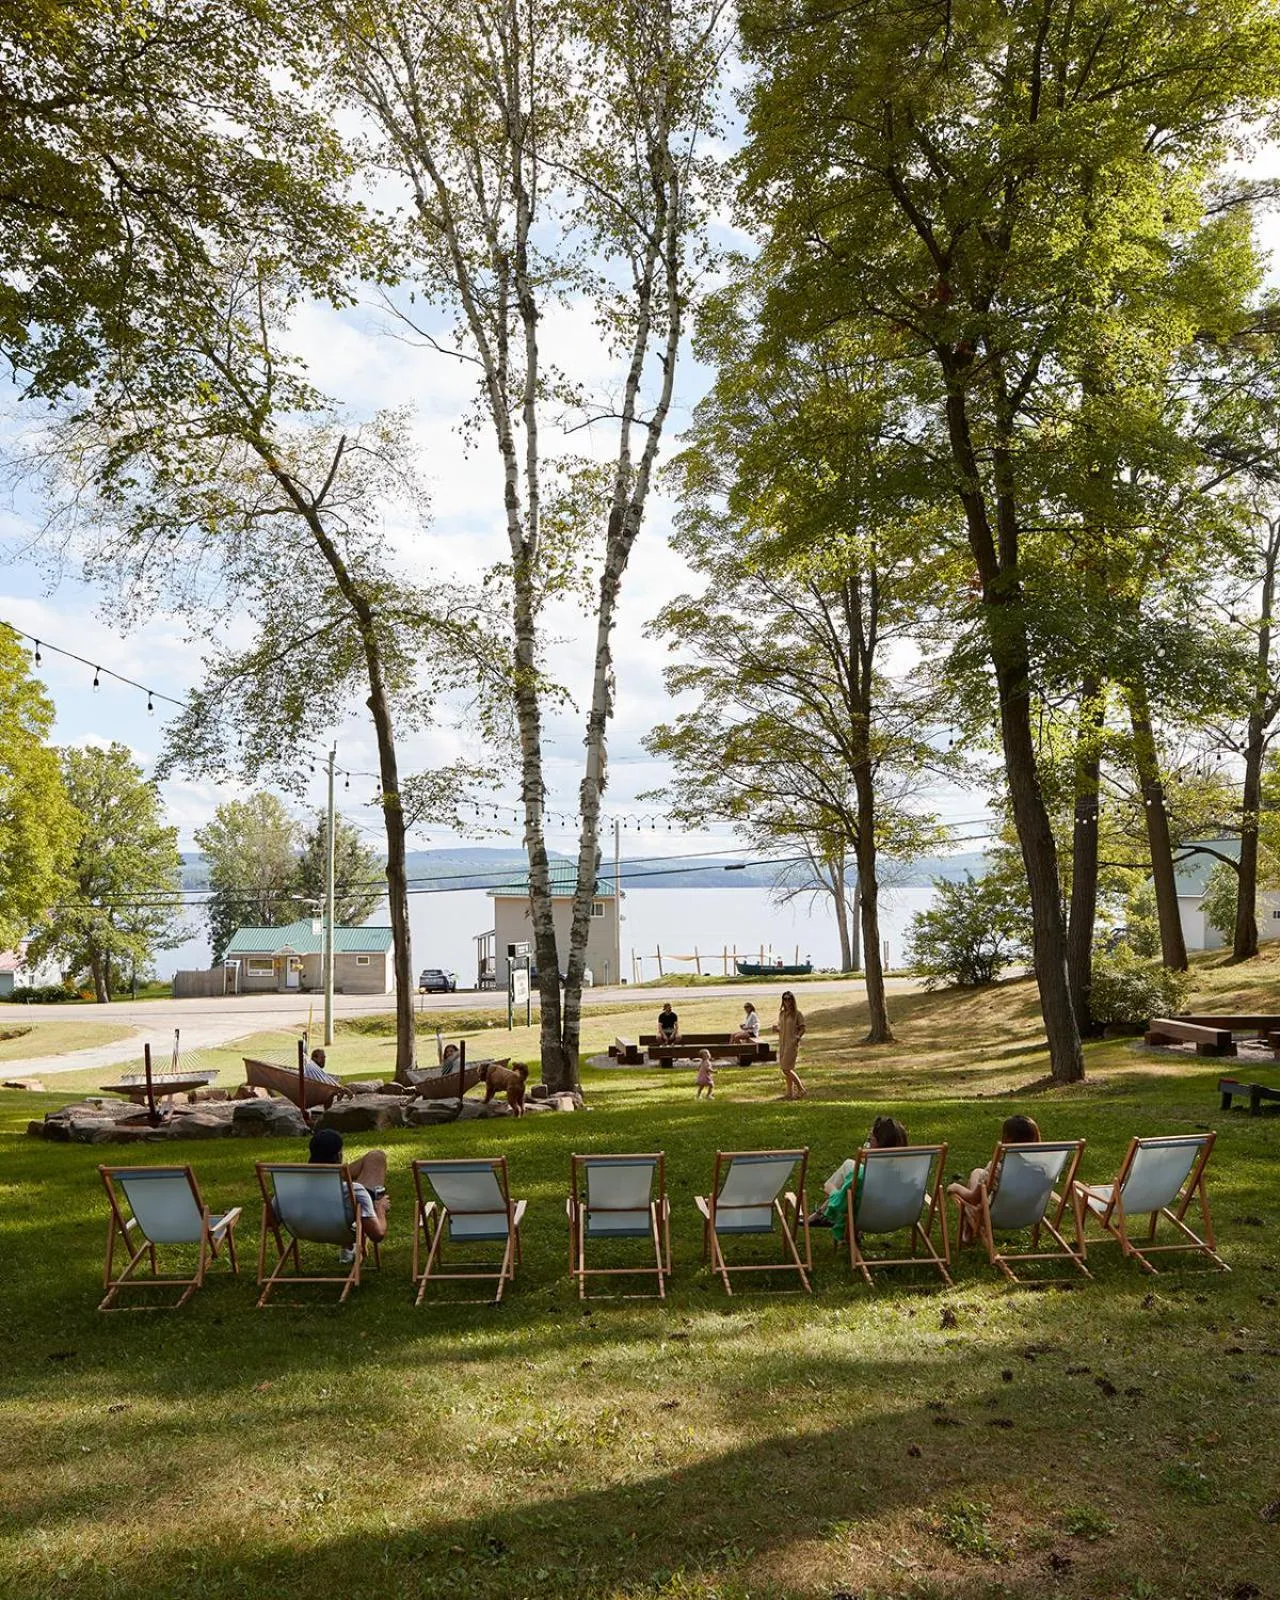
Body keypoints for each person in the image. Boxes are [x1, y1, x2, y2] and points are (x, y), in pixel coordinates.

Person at [948, 1114, 1042, 1247]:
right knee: (977, 1172)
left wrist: (955, 1188)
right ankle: (968, 1230)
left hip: (995, 1216)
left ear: (1007, 1139)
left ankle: (968, 1229)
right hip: (1029, 1213)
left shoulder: (997, 1169)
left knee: (978, 1186)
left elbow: (973, 1198)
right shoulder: (1042, 1168)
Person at [810, 1115, 910, 1240]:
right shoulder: (908, 1176)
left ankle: (821, 1213)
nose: (867, 1144)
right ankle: (820, 1213)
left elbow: (840, 1202)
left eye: (871, 1140)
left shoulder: (862, 1178)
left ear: (879, 1145)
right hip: (899, 1218)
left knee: (847, 1170)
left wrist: (830, 1188)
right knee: (848, 1165)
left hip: (869, 1219)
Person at [307, 1126, 390, 1262]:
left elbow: (270, 1223)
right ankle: (349, 1246)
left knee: (374, 1157)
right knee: (377, 1157)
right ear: (339, 1156)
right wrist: (380, 1208)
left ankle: (323, 1174)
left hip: (305, 1228)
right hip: (343, 1226)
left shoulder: (288, 1190)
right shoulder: (355, 1191)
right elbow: (377, 1234)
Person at [776, 990, 806, 1100]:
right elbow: (782, 1028)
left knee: (787, 1069)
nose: (787, 1001)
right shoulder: (782, 1014)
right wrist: (777, 1029)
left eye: (789, 999)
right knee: (785, 1069)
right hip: (783, 1043)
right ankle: (789, 1092)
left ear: (792, 1000)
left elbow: (802, 1028)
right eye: (785, 999)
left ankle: (801, 1089)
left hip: (791, 1043)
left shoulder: (797, 1014)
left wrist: (797, 1038)